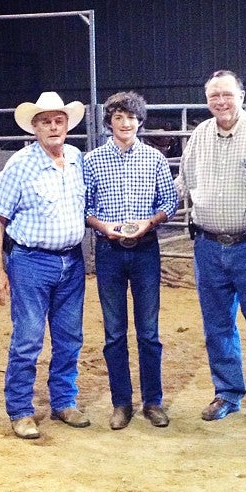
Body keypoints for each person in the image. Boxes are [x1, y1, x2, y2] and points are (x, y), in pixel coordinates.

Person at [176, 70, 246, 431]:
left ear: (241, 95)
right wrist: (146, 213)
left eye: (227, 94)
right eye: (214, 96)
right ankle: (227, 392)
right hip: (208, 246)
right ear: (207, 100)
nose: (221, 102)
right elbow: (182, 183)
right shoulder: (200, 135)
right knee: (217, 324)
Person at [0, 91, 90, 440]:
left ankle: (64, 401)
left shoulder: (76, 159)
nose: (53, 127)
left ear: (67, 125)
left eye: (59, 120)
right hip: (31, 261)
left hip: (72, 261)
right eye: (45, 121)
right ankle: (20, 409)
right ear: (34, 128)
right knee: (28, 338)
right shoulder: (20, 165)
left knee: (69, 336)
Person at [84, 91, 179, 430]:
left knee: (149, 331)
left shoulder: (154, 159)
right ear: (109, 122)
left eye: (131, 118)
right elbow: (85, 206)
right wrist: (102, 226)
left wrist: (149, 223)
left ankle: (153, 401)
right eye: (118, 117)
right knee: (114, 332)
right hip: (109, 251)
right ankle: (121, 403)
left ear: (140, 121)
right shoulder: (92, 161)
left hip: (145, 250)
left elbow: (169, 201)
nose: (125, 123)